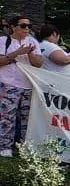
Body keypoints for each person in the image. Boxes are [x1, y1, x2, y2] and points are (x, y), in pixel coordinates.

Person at [0, 15, 43, 156]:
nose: (27, 29)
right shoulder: (3, 41)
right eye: (23, 26)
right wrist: (17, 53)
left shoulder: (33, 42)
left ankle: (26, 148)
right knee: (6, 118)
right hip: (8, 84)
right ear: (13, 27)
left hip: (29, 86)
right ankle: (5, 149)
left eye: (29, 26)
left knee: (28, 119)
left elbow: (39, 64)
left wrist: (30, 54)